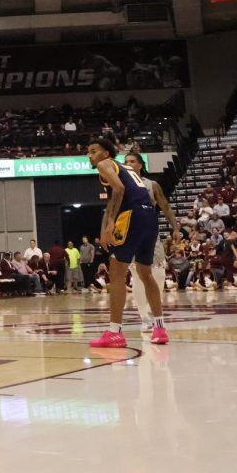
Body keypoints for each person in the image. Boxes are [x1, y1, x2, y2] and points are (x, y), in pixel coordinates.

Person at [88, 140, 168, 347]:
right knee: (145, 273)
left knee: (117, 273)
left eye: (93, 151)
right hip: (149, 216)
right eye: (88, 152)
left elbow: (119, 189)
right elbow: (118, 195)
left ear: (106, 153)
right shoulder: (125, 168)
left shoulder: (105, 164)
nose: (90, 155)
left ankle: (115, 332)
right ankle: (160, 329)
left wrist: (110, 223)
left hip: (132, 215)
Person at [123, 151, 180, 332]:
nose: (129, 164)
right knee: (137, 276)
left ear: (140, 165)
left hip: (150, 231)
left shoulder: (152, 184)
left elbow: (165, 206)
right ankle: (145, 317)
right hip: (131, 233)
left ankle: (155, 310)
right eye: (126, 161)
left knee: (159, 274)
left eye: (132, 161)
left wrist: (175, 228)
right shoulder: (120, 185)